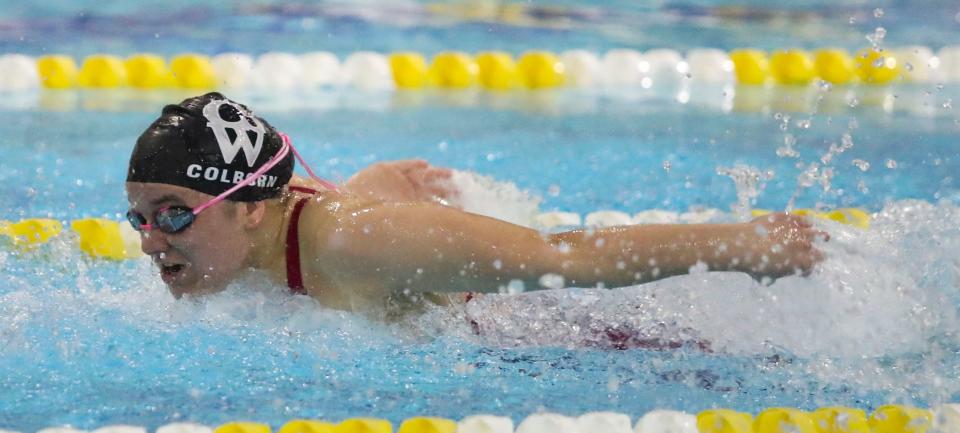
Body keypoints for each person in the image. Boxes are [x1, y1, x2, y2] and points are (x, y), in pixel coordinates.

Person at [125, 92, 825, 321]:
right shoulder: (268, 231)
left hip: (551, 330)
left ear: (249, 208)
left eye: (174, 214)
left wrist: (742, 244)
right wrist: (378, 182)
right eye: (141, 217)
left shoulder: (353, 241)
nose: (153, 241)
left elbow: (564, 257)